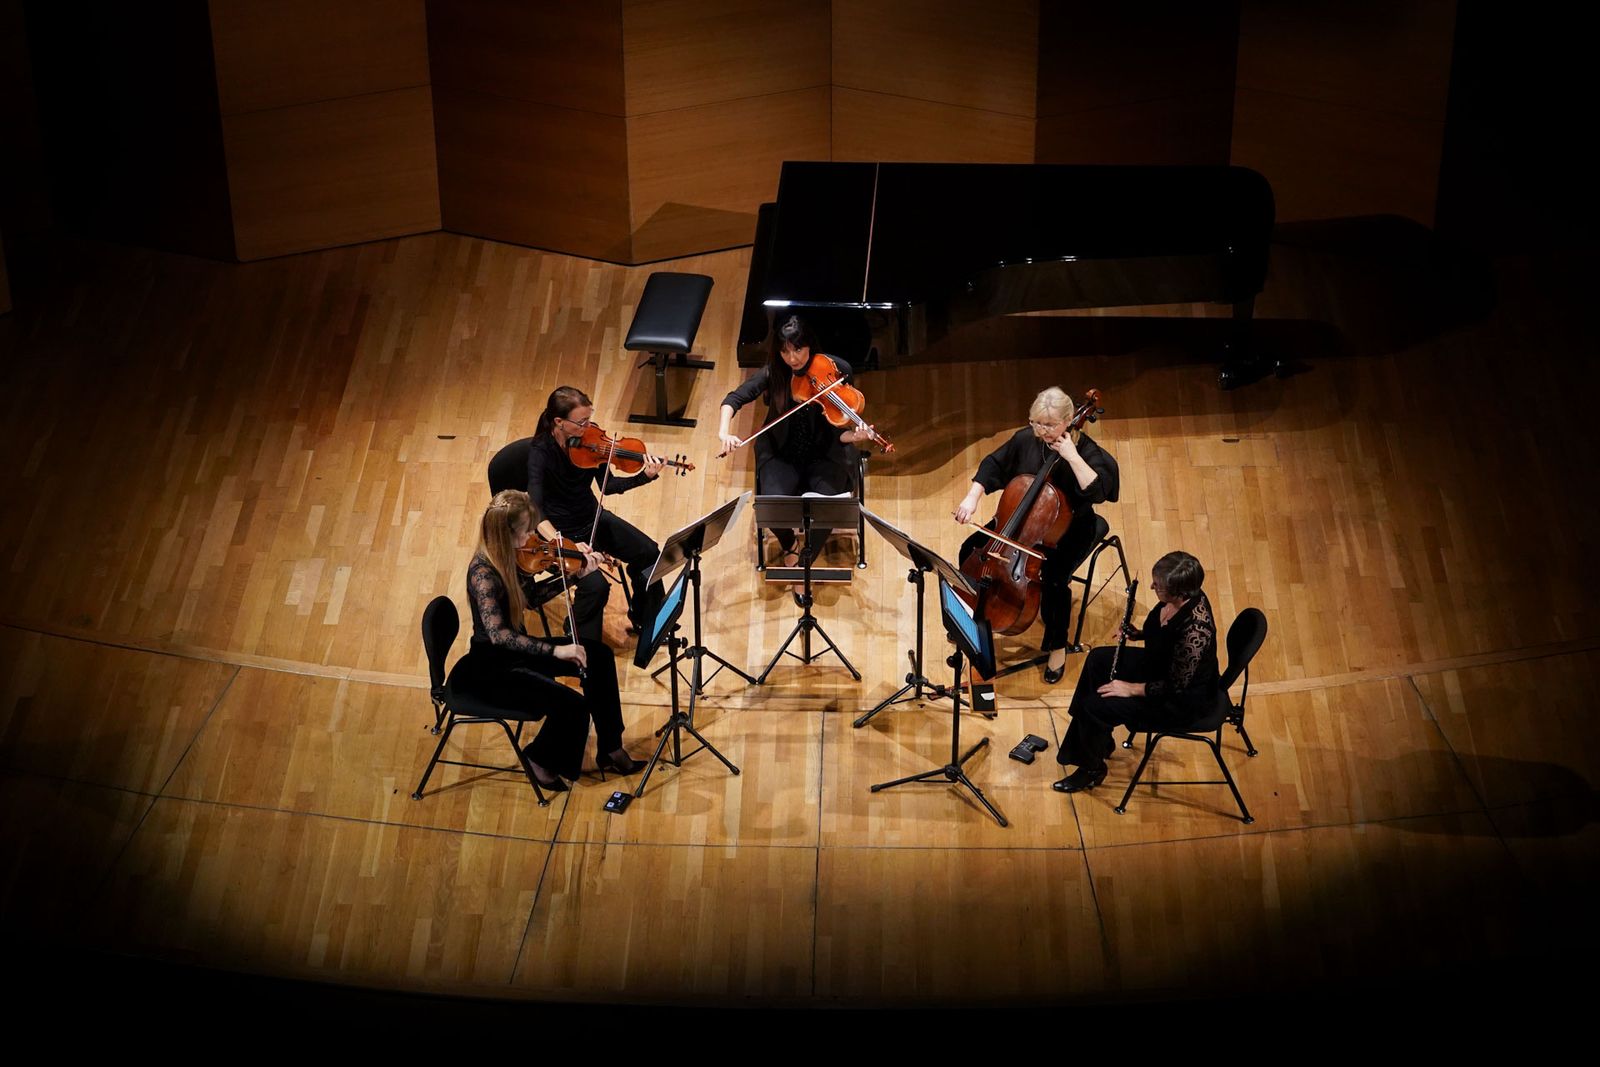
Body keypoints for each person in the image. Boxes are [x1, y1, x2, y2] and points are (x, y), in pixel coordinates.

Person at [456, 490, 645, 789]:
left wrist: (574, 575)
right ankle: (538, 760)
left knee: (598, 657)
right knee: (574, 705)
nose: (534, 536)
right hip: (493, 666)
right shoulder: (483, 573)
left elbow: (530, 598)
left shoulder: (512, 557)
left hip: (517, 649)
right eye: (528, 530)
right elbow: (499, 635)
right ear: (507, 533)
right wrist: (556, 651)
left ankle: (612, 747)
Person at [953, 385, 1119, 682]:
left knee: (1053, 582)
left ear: (1069, 420)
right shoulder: (1027, 439)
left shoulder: (1089, 453)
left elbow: (1098, 491)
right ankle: (975, 615)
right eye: (1036, 423)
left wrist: (1072, 457)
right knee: (971, 549)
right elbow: (994, 463)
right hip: (1019, 523)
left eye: (1049, 425)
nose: (1041, 431)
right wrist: (972, 496)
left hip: (1069, 530)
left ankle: (1057, 647)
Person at [717, 314, 877, 598]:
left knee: (828, 508)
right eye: (785, 351)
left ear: (810, 346)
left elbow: (840, 430)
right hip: (781, 453)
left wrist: (855, 436)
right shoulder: (774, 373)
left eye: (798, 349)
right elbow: (733, 400)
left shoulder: (838, 370)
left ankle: (805, 560)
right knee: (772, 507)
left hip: (826, 452)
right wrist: (724, 433)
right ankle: (789, 545)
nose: (792, 358)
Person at [1053, 550, 1219, 793]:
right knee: (1098, 659)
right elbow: (1164, 636)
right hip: (1158, 667)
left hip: (1178, 702)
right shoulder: (1174, 598)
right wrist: (1138, 633)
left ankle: (1091, 769)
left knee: (1095, 705)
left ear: (1180, 591)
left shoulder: (1196, 631)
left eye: (1159, 586)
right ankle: (1099, 740)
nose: (1152, 587)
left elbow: (1175, 687)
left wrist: (1129, 689)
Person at [527, 386, 664, 634]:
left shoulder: (590, 440)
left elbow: (607, 486)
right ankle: (577, 634)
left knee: (649, 553)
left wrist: (644, 477)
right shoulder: (540, 453)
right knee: (597, 587)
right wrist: (564, 545)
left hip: (593, 518)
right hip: (562, 533)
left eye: (589, 419)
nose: (587, 426)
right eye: (581, 422)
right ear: (559, 422)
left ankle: (647, 621)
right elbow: (535, 511)